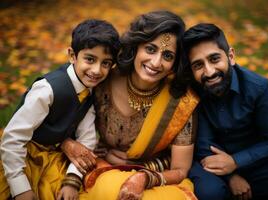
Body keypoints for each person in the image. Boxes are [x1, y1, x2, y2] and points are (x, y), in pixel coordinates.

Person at [61, 11, 199, 200]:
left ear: (175, 63)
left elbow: (180, 169)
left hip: (157, 178)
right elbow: (57, 116)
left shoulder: (180, 102)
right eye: (150, 49)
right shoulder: (103, 78)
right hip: (101, 167)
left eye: (167, 55)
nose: (156, 62)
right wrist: (67, 143)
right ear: (136, 47)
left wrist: (143, 174)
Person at [0, 19, 120, 200]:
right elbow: (13, 138)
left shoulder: (90, 90)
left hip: (54, 158)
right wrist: (20, 188)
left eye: (106, 63)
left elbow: (86, 138)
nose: (97, 70)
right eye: (90, 59)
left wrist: (72, 180)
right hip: (22, 158)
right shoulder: (47, 90)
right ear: (72, 55)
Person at [184, 23, 268, 200]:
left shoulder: (258, 89)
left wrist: (236, 162)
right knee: (209, 193)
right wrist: (231, 176)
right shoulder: (194, 93)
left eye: (214, 59)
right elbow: (203, 145)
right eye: (198, 65)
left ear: (230, 56)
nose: (209, 71)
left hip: (256, 159)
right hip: (210, 162)